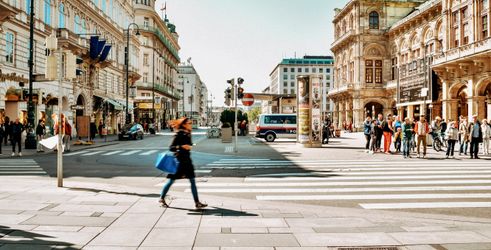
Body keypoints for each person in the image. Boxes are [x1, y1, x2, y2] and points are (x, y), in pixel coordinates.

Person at [159, 117, 207, 209]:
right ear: (184, 124)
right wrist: (182, 146)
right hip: (179, 162)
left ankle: (197, 202)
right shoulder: (179, 134)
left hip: (187, 162)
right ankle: (161, 198)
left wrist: (189, 146)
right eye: (189, 123)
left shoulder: (188, 134)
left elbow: (189, 145)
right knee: (171, 181)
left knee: (192, 181)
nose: (190, 124)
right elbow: (171, 148)